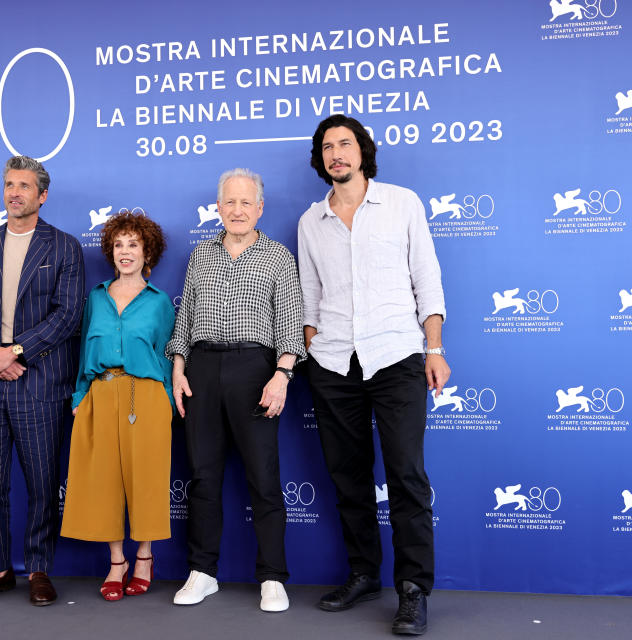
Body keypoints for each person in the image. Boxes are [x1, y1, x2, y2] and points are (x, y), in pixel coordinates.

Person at [297, 115, 450, 636]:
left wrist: (434, 347)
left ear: (363, 150)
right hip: (335, 363)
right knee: (349, 478)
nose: (336, 153)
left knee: (406, 475)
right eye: (327, 147)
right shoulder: (309, 221)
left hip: (396, 356)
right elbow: (310, 298)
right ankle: (363, 572)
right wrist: (316, 347)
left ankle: (413, 590)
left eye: (345, 144)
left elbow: (426, 278)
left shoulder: (402, 203)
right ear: (320, 160)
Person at [166, 168, 306, 613]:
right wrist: (179, 369)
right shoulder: (200, 256)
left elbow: (290, 328)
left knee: (263, 478)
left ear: (260, 208)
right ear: (219, 207)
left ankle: (272, 577)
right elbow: (184, 320)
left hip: (256, 371)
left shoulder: (279, 257)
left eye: (247, 202)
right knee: (203, 477)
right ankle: (203, 572)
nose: (238, 210)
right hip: (202, 369)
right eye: (230, 202)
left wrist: (281, 375)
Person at [0, 155, 84, 606]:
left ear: (42, 195)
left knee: (42, 483)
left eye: (24, 186)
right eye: (10, 184)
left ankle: (39, 569)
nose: (15, 192)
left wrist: (17, 351)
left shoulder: (64, 247)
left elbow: (68, 315)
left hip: (39, 381)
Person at [61, 211, 175, 601]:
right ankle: (116, 562)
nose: (125, 252)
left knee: (146, 478)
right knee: (103, 480)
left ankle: (144, 557)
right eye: (119, 245)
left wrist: (167, 397)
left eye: (134, 245)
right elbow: (81, 353)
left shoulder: (160, 303)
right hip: (100, 393)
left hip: (147, 396)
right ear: (111, 251)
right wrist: (80, 397)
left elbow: (170, 353)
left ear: (148, 252)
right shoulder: (95, 297)